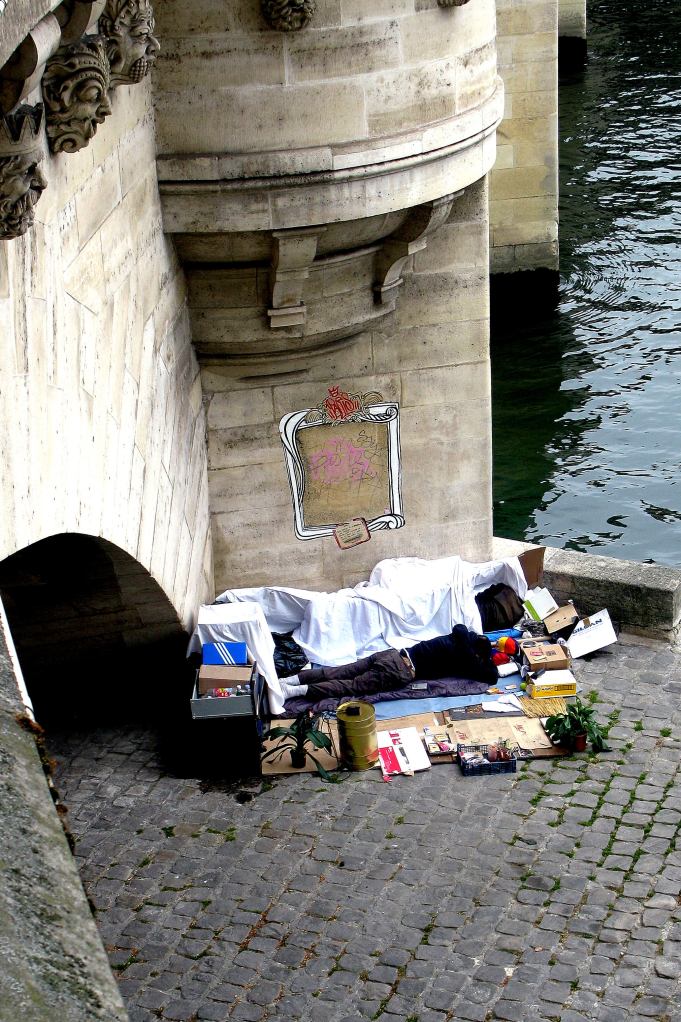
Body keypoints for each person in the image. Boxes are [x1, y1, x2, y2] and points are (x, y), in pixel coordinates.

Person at [279, 624, 497, 702]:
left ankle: (289, 680)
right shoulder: (466, 657)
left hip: (391, 654)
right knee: (350, 686)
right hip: (400, 670)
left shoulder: (458, 635)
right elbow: (491, 675)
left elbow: (462, 628)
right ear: (477, 654)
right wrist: (486, 659)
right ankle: (294, 692)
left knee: (338, 671)